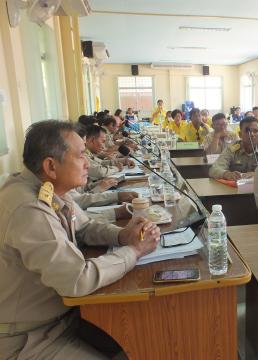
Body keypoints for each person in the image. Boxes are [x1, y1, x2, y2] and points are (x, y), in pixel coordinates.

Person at [0, 120, 160, 359]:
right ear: (51, 166)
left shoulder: (49, 189)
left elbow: (84, 227)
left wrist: (121, 235)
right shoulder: (28, 207)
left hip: (65, 318)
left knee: (143, 336)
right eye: (81, 155)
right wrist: (134, 251)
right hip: (29, 339)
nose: (88, 163)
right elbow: (77, 279)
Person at [209, 116, 258, 180]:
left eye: (256, 131)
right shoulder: (232, 150)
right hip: (235, 188)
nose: (251, 134)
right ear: (240, 134)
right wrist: (227, 174)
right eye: (247, 131)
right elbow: (214, 169)